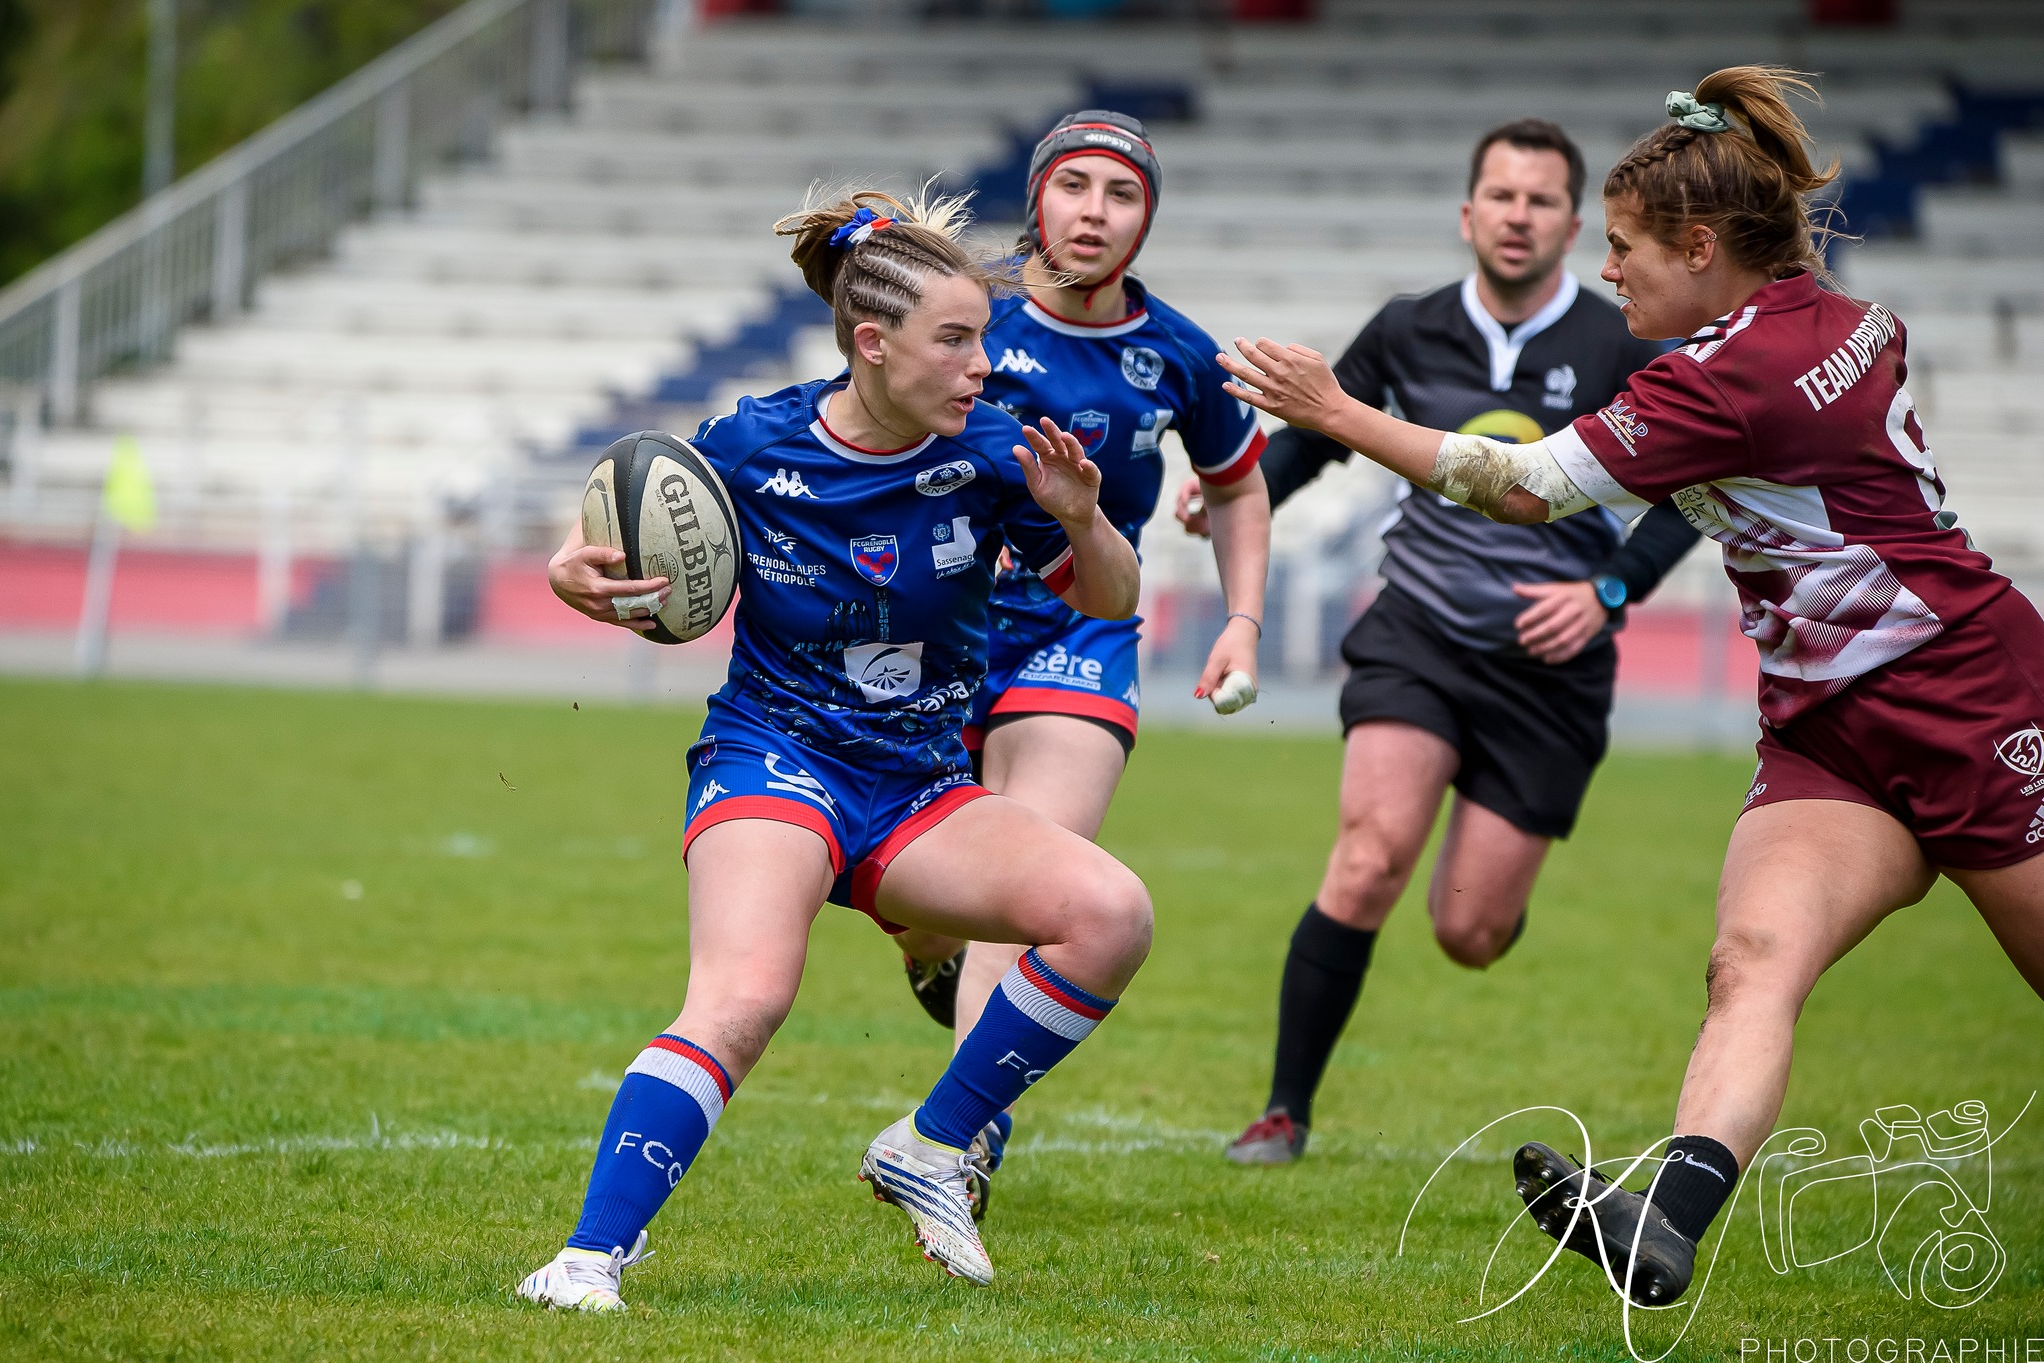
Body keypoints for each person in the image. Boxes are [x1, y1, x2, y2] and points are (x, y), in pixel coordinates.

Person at [1214, 66, 2044, 1307]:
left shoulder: (1719, 379)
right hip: (1826, 726)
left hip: (1967, 702)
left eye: (1624, 248)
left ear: (1700, 246)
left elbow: (1517, 485)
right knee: (1749, 957)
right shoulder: (1819, 315)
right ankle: (1666, 1216)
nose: (1610, 273)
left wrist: (1336, 410)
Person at [516, 188, 1154, 1311]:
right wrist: (574, 570)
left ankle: (931, 1142)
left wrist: (1082, 516)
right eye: (954, 340)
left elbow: (1109, 596)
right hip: (775, 757)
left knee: (1111, 914)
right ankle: (584, 1263)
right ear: (872, 343)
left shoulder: (1001, 452)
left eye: (983, 341)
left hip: (918, 787)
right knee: (744, 994)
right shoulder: (751, 442)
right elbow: (599, 541)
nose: (980, 365)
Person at [1189, 119, 1699, 1166]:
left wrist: (1605, 590)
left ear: (1573, 224)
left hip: (1549, 668)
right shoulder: (1409, 327)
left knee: (1467, 934)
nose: (1517, 217)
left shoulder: (1618, 345)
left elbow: (1697, 493)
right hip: (1415, 633)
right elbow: (1322, 437)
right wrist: (1234, 493)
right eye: (1499, 197)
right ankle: (1282, 1112)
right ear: (1467, 214)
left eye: (1539, 200)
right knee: (1367, 856)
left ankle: (1491, 889)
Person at [886, 111, 1272, 1212]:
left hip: (1078, 632)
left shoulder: (1179, 355)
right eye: (1074, 187)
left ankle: (954, 1148)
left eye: (1121, 193)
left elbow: (1238, 483)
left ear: (1147, 216)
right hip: (929, 637)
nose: (1095, 212)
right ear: (1037, 199)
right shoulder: (969, 319)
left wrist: (1240, 617)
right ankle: (927, 954)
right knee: (924, 909)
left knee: (1032, 871)